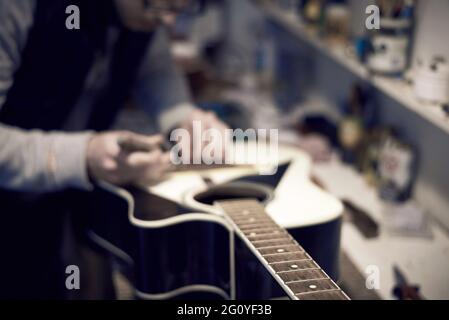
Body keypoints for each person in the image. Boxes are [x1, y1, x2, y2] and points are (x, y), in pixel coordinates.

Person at [0, 0, 227, 299]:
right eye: (159, 5)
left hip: (79, 204)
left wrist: (183, 118)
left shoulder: (146, 16)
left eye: (183, 7)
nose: (170, 22)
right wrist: (84, 156)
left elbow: (155, 69)